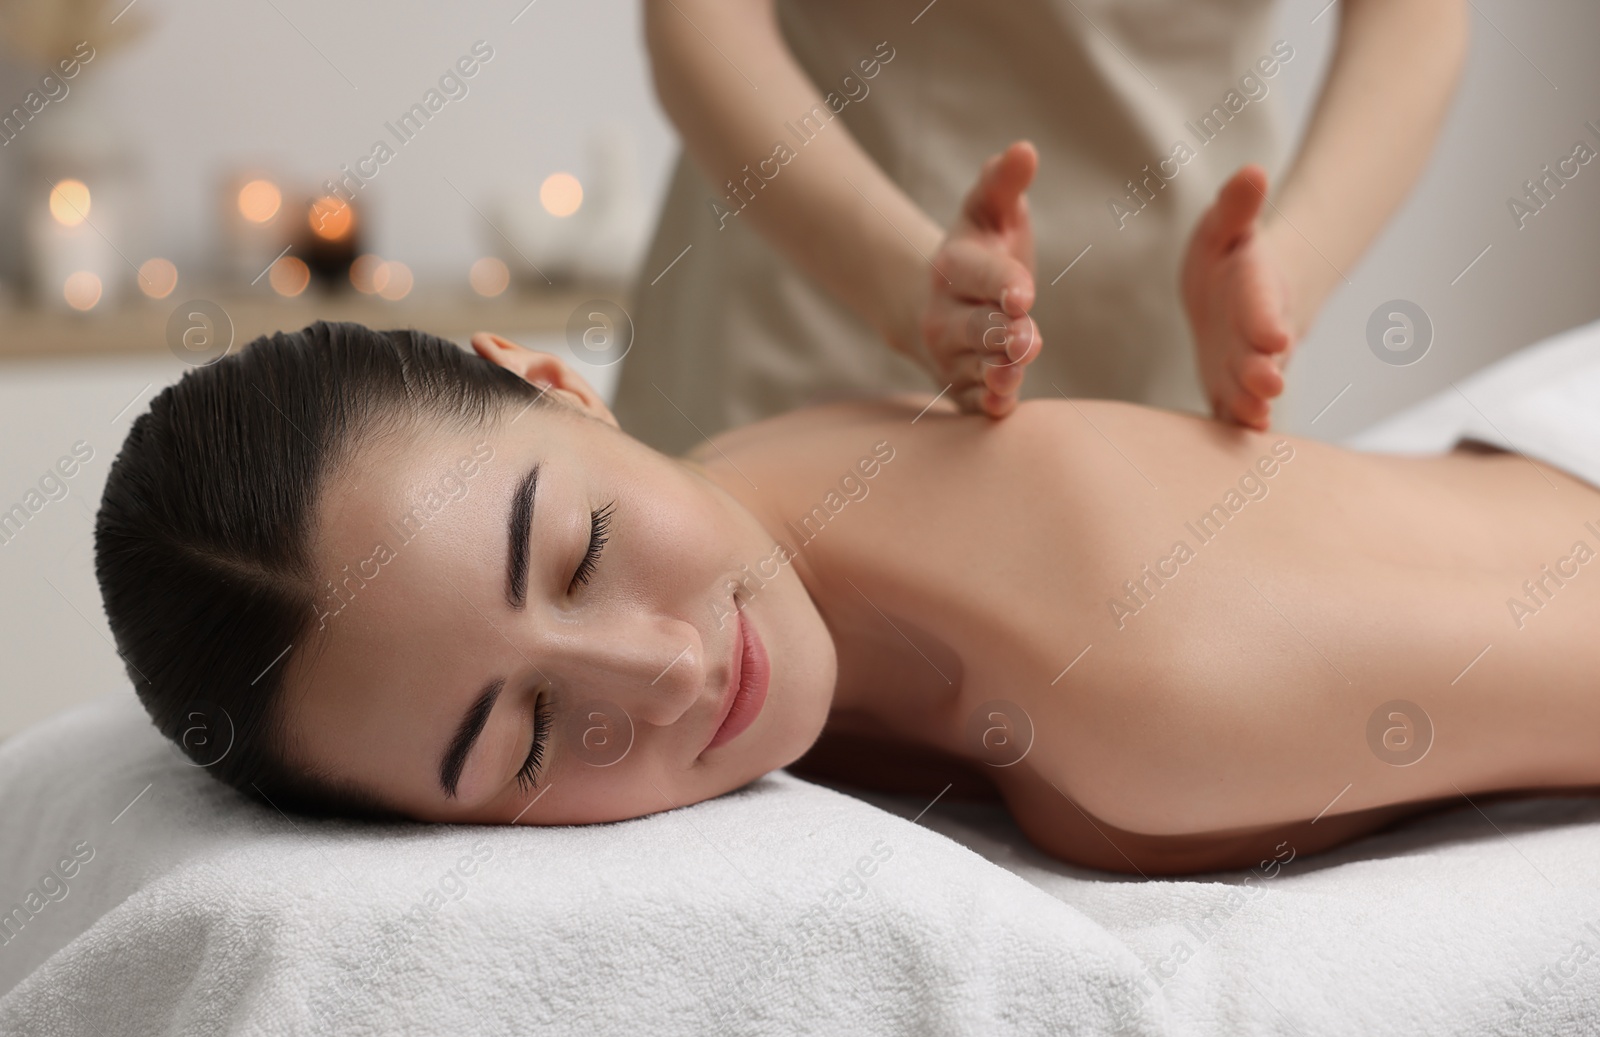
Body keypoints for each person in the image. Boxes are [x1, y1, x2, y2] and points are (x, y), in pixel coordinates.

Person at [95, 322, 1600, 876]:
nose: (664, 671)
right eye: (530, 739)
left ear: (549, 379)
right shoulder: (756, 479)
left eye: (581, 554)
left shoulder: (1147, 677)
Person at [614, 0, 1469, 450]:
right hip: (819, 313)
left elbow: (1415, 13)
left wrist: (1292, 270)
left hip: (1182, 335)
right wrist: (904, 284)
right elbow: (701, 16)